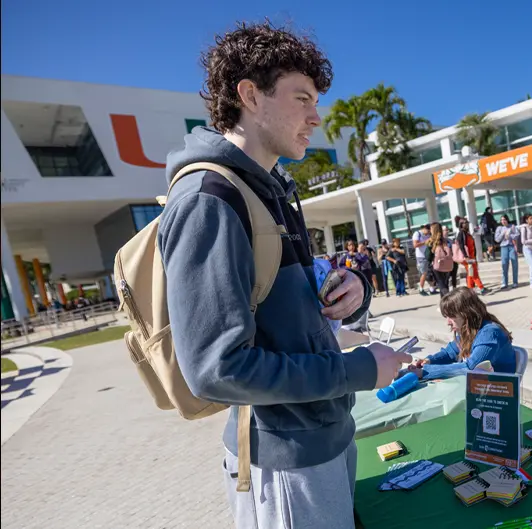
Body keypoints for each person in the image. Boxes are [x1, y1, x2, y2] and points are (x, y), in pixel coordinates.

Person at [159, 22, 411, 529]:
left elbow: (287, 316)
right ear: (250, 95)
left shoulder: (270, 189)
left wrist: (351, 292)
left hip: (324, 436)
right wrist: (359, 370)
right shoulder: (209, 200)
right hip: (285, 460)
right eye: (302, 99)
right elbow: (216, 370)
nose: (316, 117)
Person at [405, 287, 515, 380]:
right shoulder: (469, 329)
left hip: (497, 396)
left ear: (467, 313)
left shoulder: (490, 333)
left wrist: (424, 372)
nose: (447, 322)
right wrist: (428, 361)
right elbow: (449, 353)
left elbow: (471, 369)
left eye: (451, 316)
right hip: (480, 388)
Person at [456, 219, 486, 293]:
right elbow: (461, 246)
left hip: (472, 256)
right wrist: (466, 256)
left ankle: (470, 289)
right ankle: (482, 288)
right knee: (473, 273)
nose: (467, 224)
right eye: (465, 223)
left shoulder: (467, 233)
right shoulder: (461, 233)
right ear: (461, 224)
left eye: (467, 222)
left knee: (470, 273)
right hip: (467, 257)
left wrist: (474, 256)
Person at [428, 222, 454, 298]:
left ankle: (449, 300)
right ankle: (444, 304)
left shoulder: (432, 241)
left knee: (441, 284)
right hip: (448, 264)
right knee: (445, 283)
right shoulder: (446, 240)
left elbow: (428, 256)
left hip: (437, 265)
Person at [495, 214, 520, 289]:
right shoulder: (499, 228)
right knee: (504, 264)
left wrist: (510, 235)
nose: (503, 221)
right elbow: (497, 239)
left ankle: (515, 282)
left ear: (507, 220)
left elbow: (517, 235)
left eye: (504, 219)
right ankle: (504, 282)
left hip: (511, 246)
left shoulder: (512, 226)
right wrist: (503, 233)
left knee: (514, 263)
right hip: (503, 247)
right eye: (502, 220)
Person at [411, 224, 432, 295]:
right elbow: (415, 245)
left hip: (428, 256)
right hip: (421, 257)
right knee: (424, 273)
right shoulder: (417, 234)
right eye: (428, 231)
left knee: (429, 272)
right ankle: (421, 289)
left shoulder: (429, 235)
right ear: (424, 229)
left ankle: (432, 288)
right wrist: (425, 242)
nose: (428, 233)